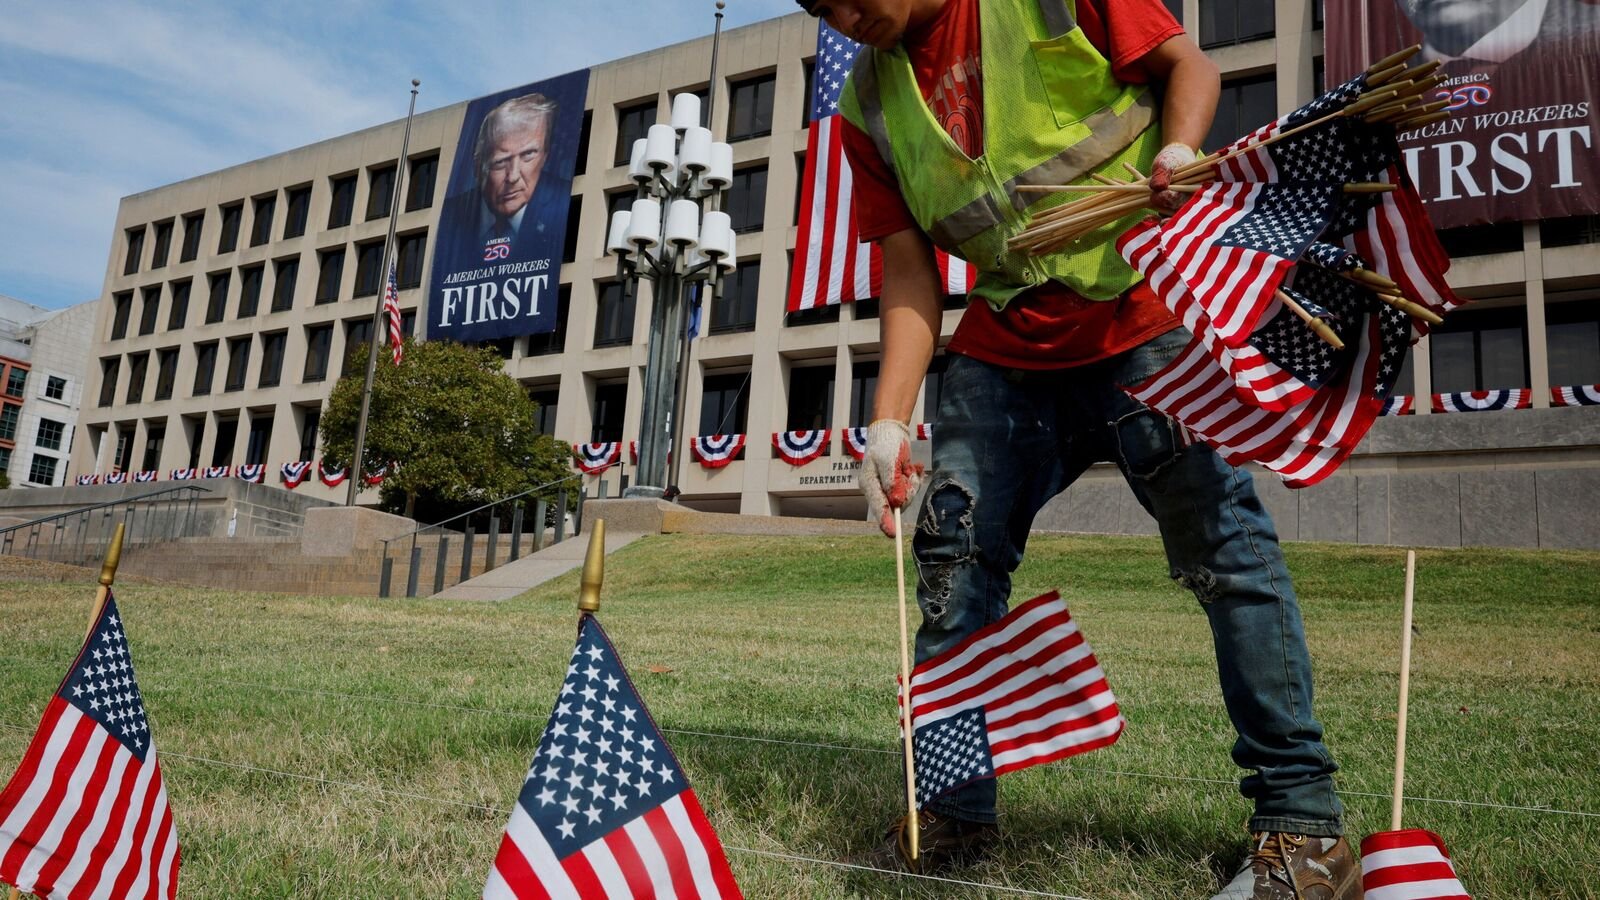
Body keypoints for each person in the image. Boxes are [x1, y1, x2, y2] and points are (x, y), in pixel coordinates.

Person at [795, 0, 1356, 896]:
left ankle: (1302, 825)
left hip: (1143, 316)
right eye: (821, 10)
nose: (845, 19)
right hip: (1005, 345)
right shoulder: (869, 101)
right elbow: (910, 268)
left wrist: (1179, 151)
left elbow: (1190, 68)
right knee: (953, 560)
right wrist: (891, 419)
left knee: (1227, 551)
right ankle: (953, 811)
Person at [437, 92, 572, 273]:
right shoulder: (450, 216)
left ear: (545, 155)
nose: (513, 176)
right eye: (500, 162)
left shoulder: (563, 201)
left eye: (528, 155)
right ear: (478, 167)